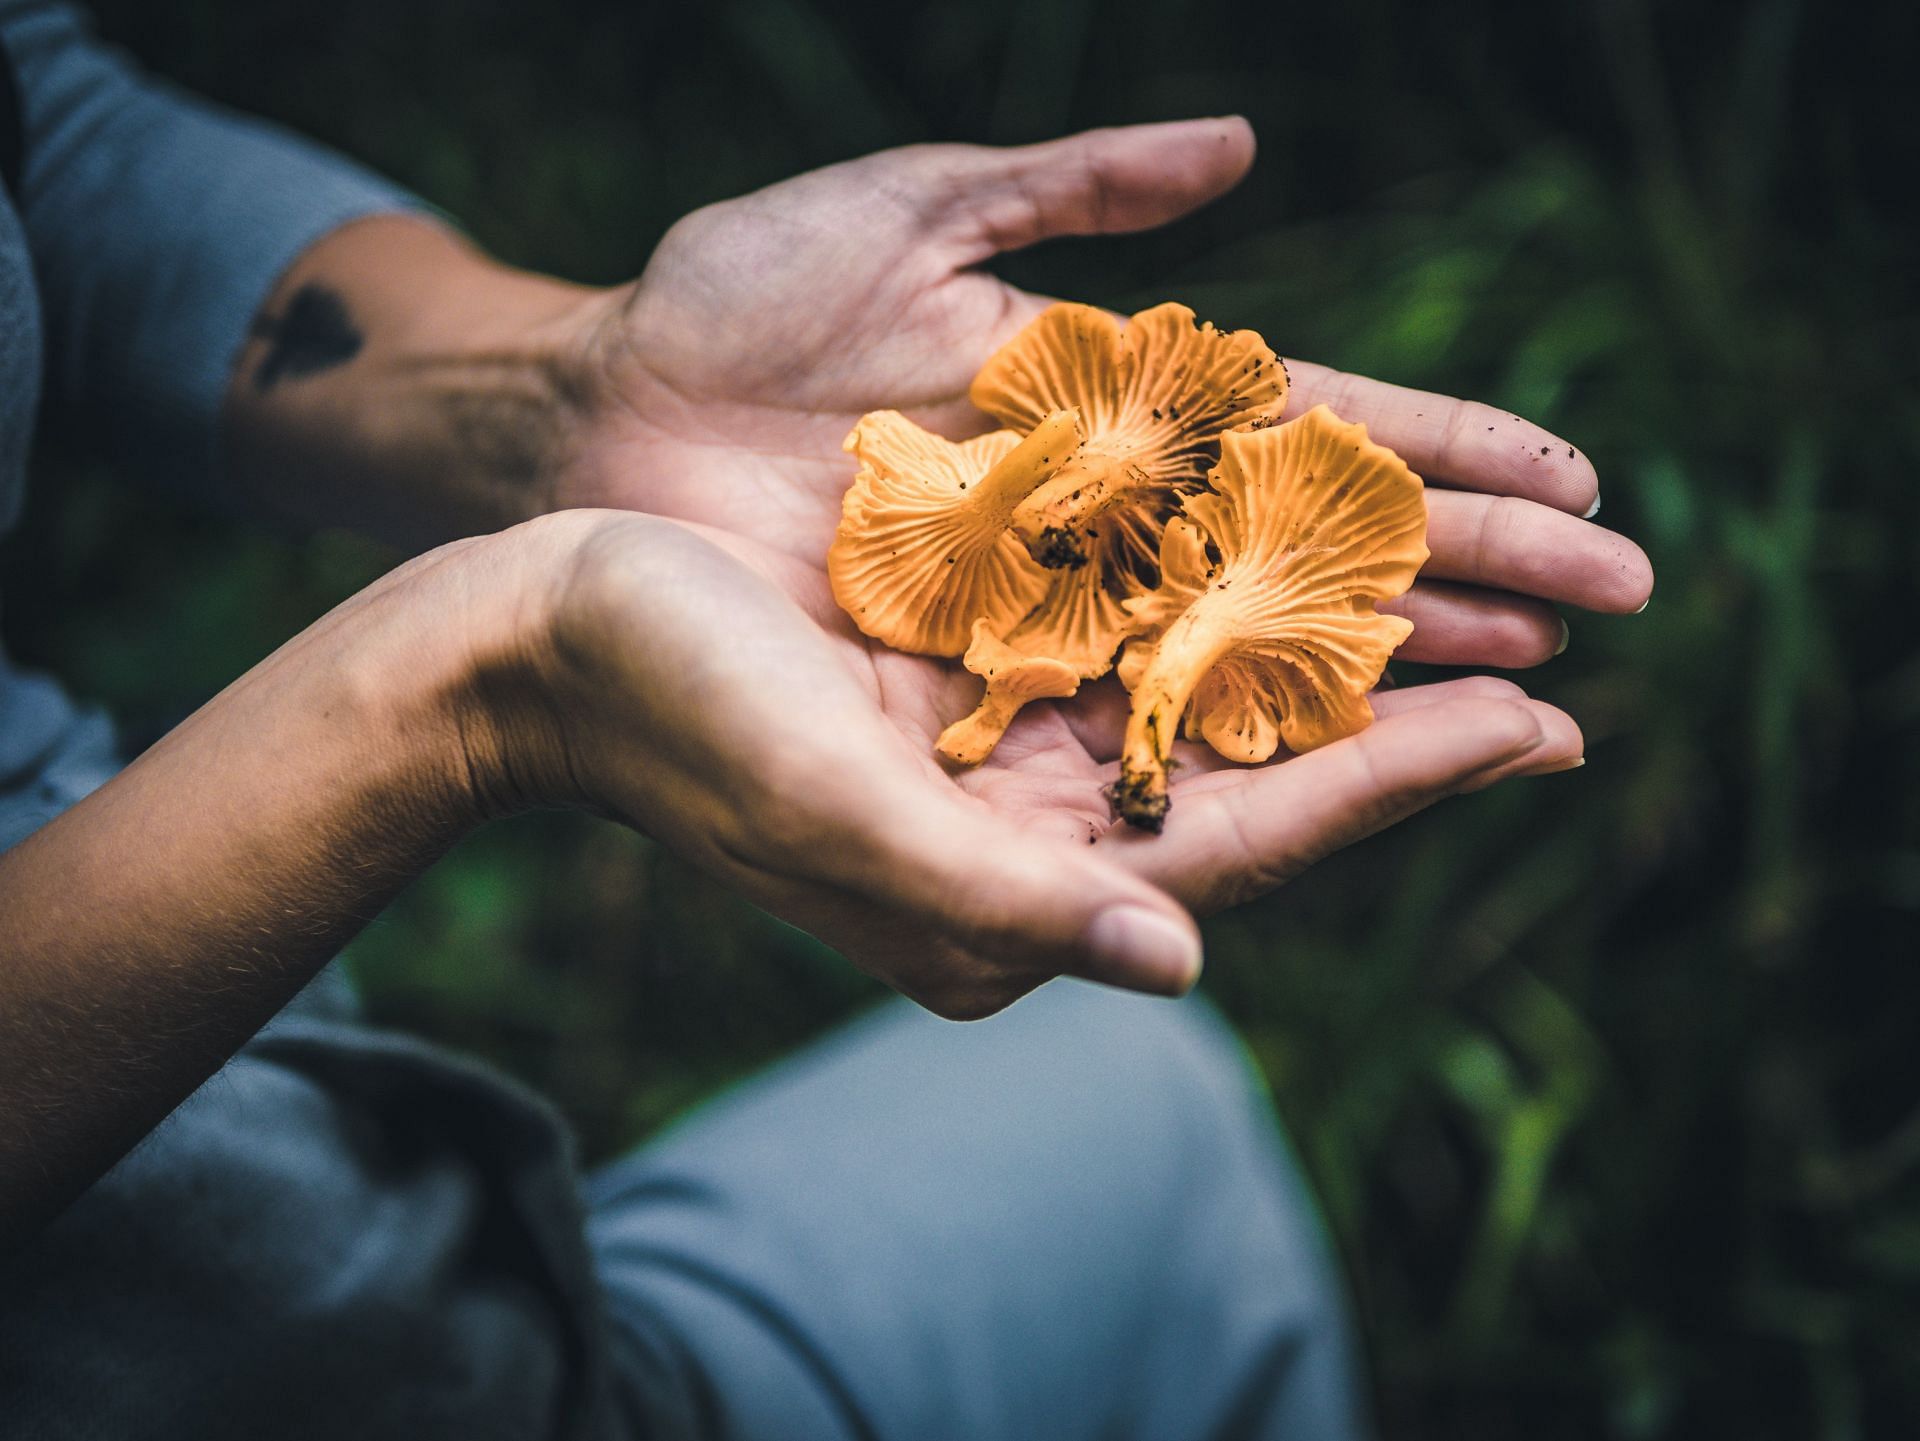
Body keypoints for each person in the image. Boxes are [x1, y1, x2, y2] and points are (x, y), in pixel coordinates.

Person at [0, 5, 1654, 1438]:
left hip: (333, 1207)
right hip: (250, 1376)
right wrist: (482, 677)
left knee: (1143, 1077)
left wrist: (563, 390)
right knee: (1157, 1123)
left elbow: (42, 134)